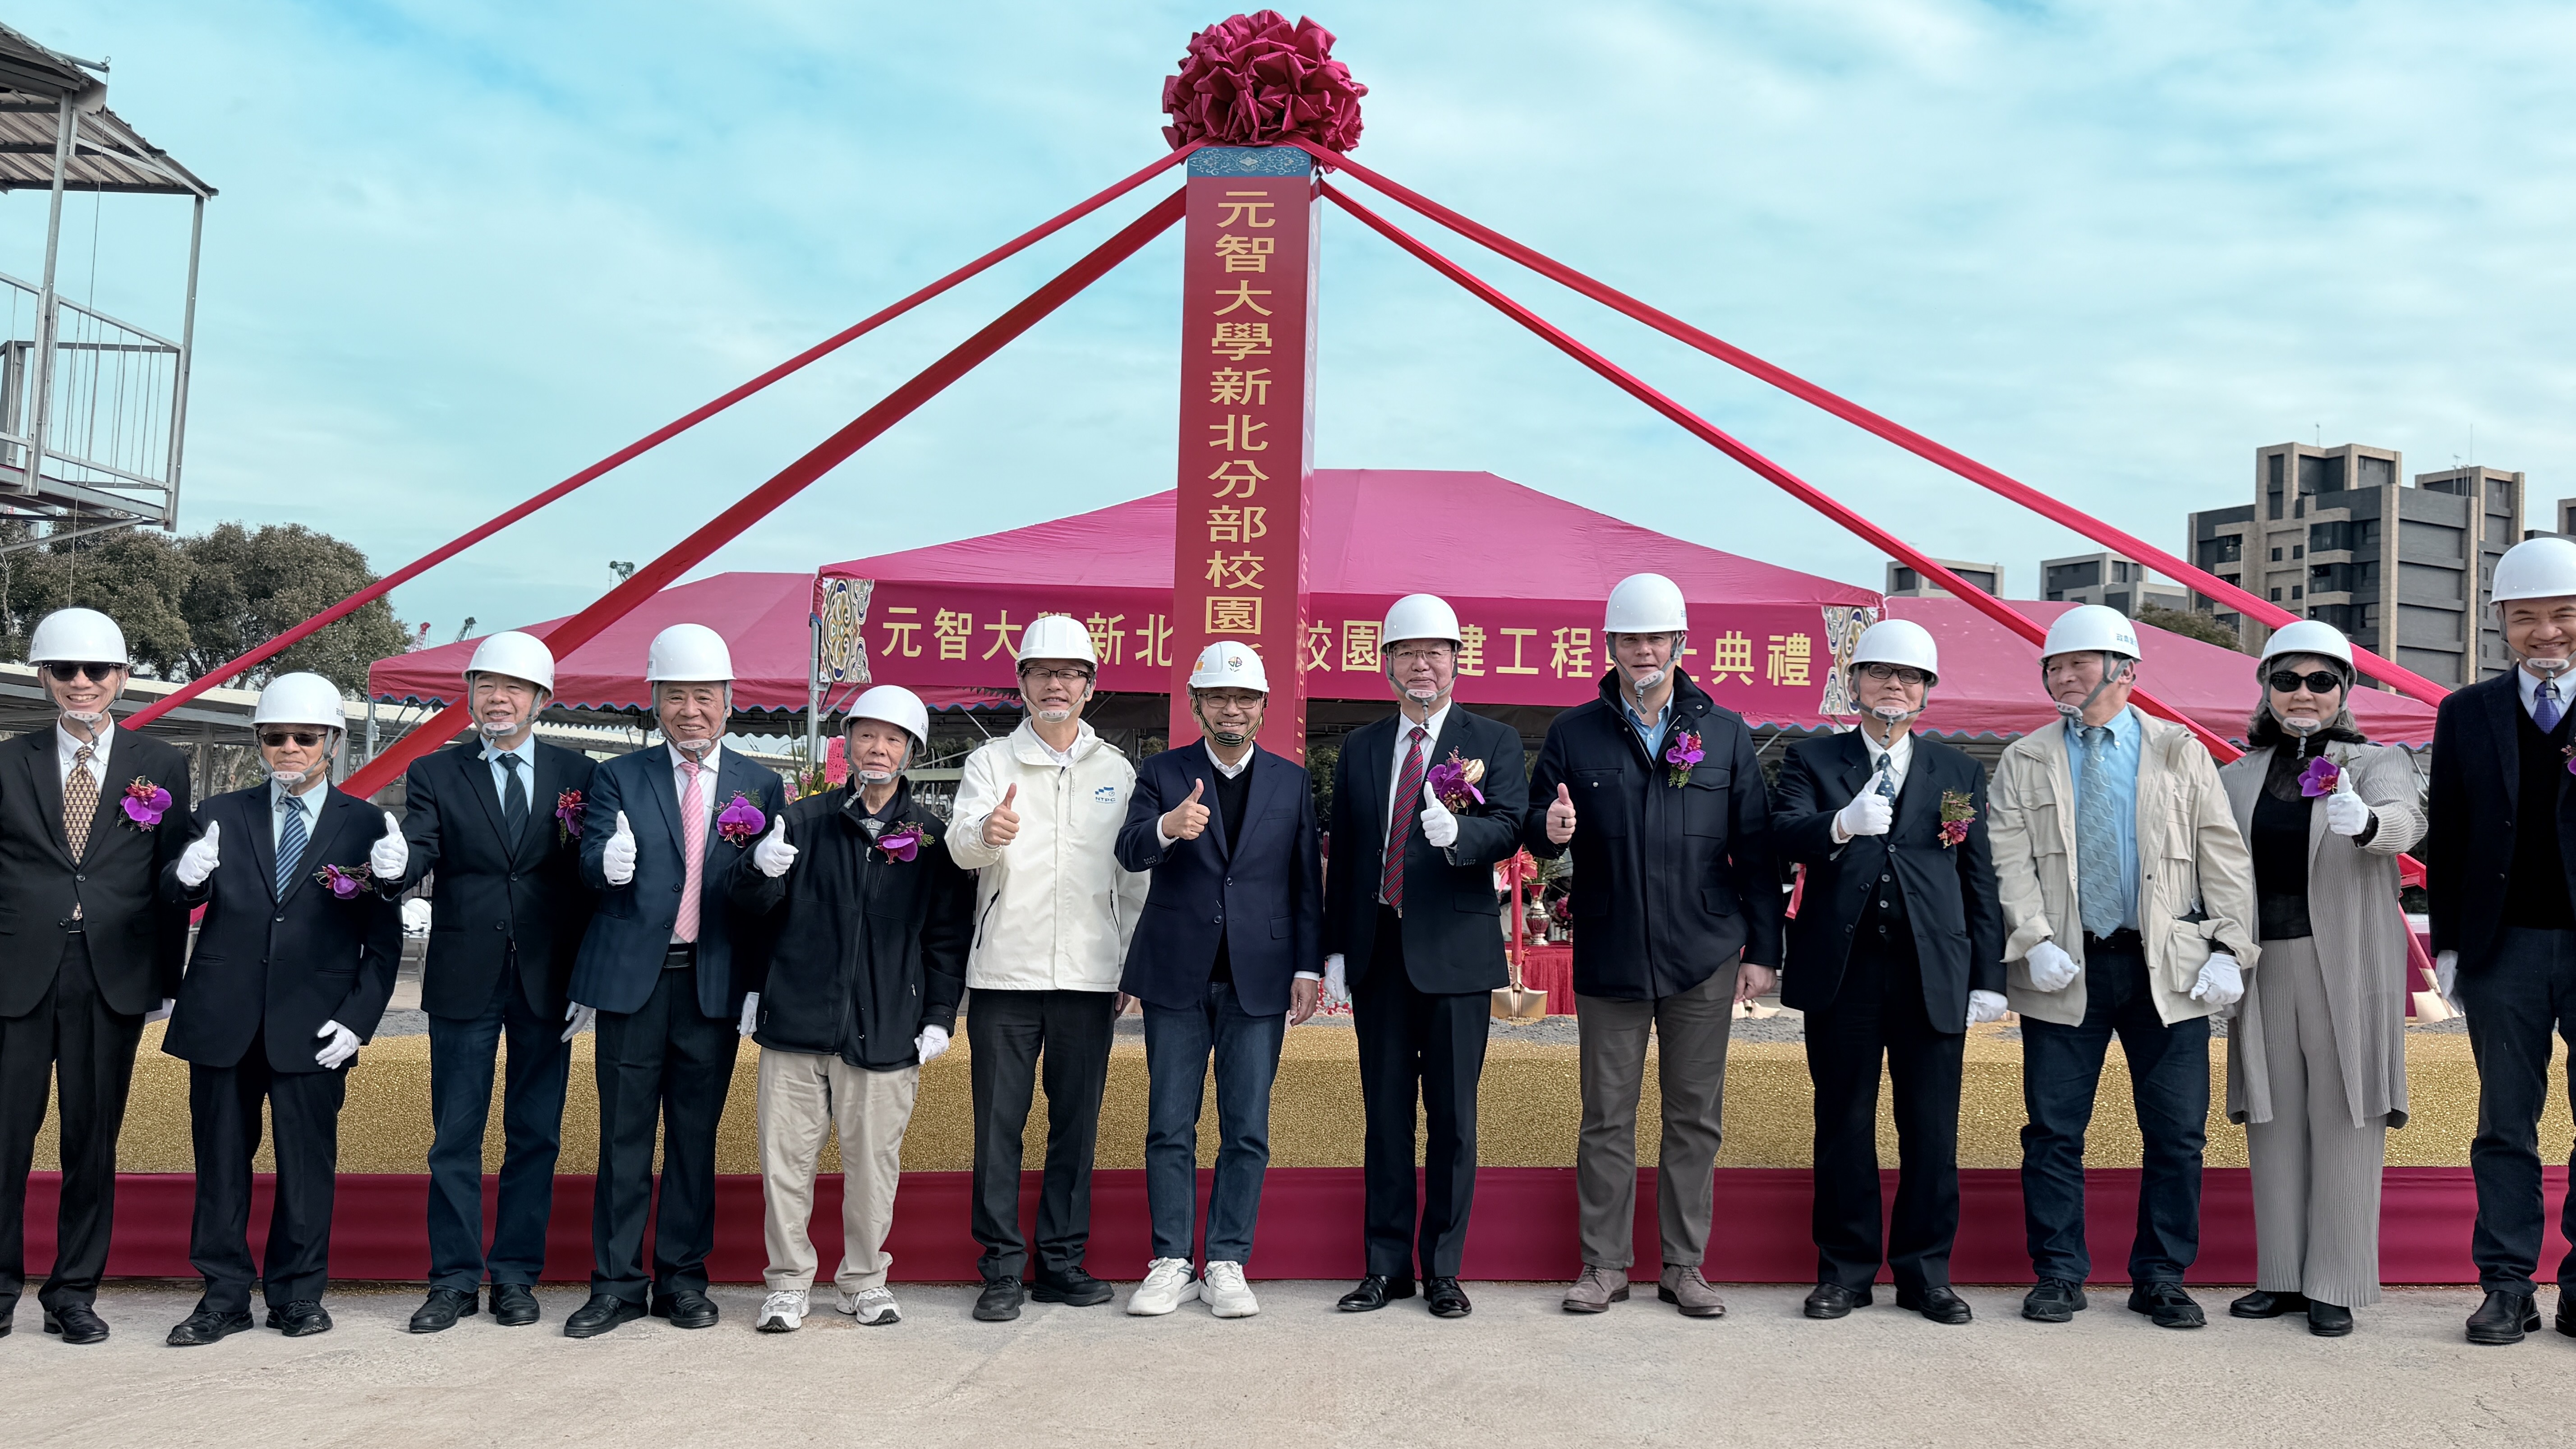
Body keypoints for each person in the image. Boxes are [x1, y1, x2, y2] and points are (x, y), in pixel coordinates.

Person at [1988, 603, 2256, 1330]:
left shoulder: (2178, 750)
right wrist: (2034, 939)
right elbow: (2009, 860)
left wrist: (2231, 947)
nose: (2063, 676)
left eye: (2078, 662)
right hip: (2066, 964)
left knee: (2177, 1132)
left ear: (2125, 670)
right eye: (2054, 666)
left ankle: (2162, 1275)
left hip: (2164, 967)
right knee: (2053, 1130)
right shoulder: (2025, 758)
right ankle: (2058, 1272)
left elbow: (2222, 855)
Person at [1523, 573, 1779, 1320]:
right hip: (1611, 948)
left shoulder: (1724, 731)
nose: (1644, 650)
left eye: (1656, 638)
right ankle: (1603, 1264)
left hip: (1705, 950)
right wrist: (1550, 829)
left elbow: (1756, 851)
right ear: (1609, 646)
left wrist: (1763, 951)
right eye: (1630, 639)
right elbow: (1537, 822)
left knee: (1694, 1115)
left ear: (1679, 643)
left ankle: (1684, 1265)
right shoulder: (1575, 732)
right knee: (1606, 1113)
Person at [1771, 617, 2005, 1326]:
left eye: (1910, 676)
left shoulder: (1958, 770)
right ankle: (1844, 1271)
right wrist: (1840, 824)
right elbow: (1780, 831)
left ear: (1927, 691)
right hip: (1844, 971)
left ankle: (1926, 1273)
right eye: (1879, 672)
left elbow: (1978, 877)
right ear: (1855, 684)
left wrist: (1989, 976)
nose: (1894, 685)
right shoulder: (1813, 758)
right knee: (1843, 1123)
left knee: (1931, 1129)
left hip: (1932, 970)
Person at [159, 672, 400, 1346]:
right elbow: (174, 893)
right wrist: (185, 878)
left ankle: (297, 1295)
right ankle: (223, 1297)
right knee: (220, 1166)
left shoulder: (367, 825)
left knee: (306, 1166)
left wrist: (358, 1021)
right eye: (274, 736)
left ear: (333, 742)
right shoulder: (220, 812)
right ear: (259, 741)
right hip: (223, 1018)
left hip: (316, 1025)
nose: (289, 747)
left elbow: (383, 945)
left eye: (305, 736)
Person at [562, 623, 784, 1339]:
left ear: (729, 701)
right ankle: (616, 1285)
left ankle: (683, 1280)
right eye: (677, 696)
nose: (692, 710)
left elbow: (765, 900)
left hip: (711, 986)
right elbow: (591, 864)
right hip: (636, 983)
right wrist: (605, 863)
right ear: (655, 701)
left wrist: (758, 971)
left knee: (694, 1140)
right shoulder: (618, 777)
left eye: (705, 696)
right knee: (623, 1139)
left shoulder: (760, 785)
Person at [730, 685, 970, 1333]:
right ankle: (788, 1283)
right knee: (786, 1164)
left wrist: (939, 1014)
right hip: (795, 1024)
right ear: (848, 744)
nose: (878, 748)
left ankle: (864, 1280)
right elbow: (752, 914)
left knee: (873, 1169)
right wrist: (759, 869)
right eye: (867, 734)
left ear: (912, 751)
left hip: (886, 1028)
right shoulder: (802, 821)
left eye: (893, 738)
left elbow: (947, 939)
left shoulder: (932, 839)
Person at [1323, 593, 1531, 1320]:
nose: (1422, 665)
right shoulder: (1361, 747)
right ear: (1386, 663)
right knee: (1385, 1118)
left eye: (1434, 652)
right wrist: (1335, 948)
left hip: (1455, 957)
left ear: (1455, 662)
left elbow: (1510, 825)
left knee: (1453, 1119)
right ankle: (1385, 1267)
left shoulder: (1493, 740)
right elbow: (1348, 854)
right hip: (1378, 953)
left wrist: (1459, 836)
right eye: (1407, 652)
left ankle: (1443, 1268)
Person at [2216, 620, 2423, 1339]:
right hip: (2264, 961)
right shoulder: (2236, 775)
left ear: (2344, 689)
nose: (2303, 693)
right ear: (2266, 688)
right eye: (2287, 680)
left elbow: (2405, 821)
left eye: (2320, 680)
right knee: (2272, 1116)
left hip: (2347, 964)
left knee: (2345, 1115)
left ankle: (2335, 1280)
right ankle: (2280, 1273)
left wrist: (2368, 823)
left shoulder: (2376, 761)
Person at [388, 630, 598, 1333]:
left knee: (535, 1132)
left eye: (514, 688)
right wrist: (393, 865)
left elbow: (589, 875)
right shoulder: (436, 771)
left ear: (541, 699)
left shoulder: (578, 772)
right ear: (471, 695)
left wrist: (589, 975)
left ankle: (514, 1275)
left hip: (548, 977)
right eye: (486, 686)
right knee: (455, 1134)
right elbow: (422, 846)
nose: (498, 699)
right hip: (463, 973)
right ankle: (452, 1279)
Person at [945, 614, 1149, 1323]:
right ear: (1022, 682)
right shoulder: (991, 762)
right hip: (1005, 974)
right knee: (999, 1126)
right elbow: (960, 844)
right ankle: (1002, 1268)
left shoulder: (1115, 770)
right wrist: (986, 832)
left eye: (1069, 673)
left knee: (1075, 1127)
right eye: (1041, 672)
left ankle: (1061, 1261)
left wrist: (1128, 963)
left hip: (1089, 978)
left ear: (1090, 686)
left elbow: (1133, 878)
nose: (1055, 685)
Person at [0, 608, 194, 1345]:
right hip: (16, 973)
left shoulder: (162, 764)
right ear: (43, 676)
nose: (81, 682)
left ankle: (73, 1292)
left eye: (97, 670)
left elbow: (171, 877)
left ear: (122, 676)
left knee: (92, 1141)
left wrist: (166, 978)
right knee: (5, 1140)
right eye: (65, 669)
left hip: (111, 974)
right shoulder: (9, 760)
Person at [1114, 641, 1323, 1319]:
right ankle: (1172, 1259)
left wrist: (1307, 966)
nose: (1232, 708)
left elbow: (1304, 882)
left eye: (1245, 698)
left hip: (1259, 976)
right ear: (1196, 704)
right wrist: (1167, 828)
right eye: (1218, 697)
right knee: (1170, 1123)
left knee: (1247, 1127)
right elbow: (1129, 848)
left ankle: (1227, 1258)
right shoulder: (1162, 771)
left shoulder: (1291, 781)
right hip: (1177, 972)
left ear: (1264, 707)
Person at [2428, 534, 2576, 1346]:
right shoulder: (2466, 712)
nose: (2545, 632)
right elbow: (2450, 834)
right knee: (2505, 1123)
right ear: (2501, 623)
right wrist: (2449, 945)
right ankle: (2508, 1285)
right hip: (2503, 948)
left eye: (2564, 614)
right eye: (2526, 618)